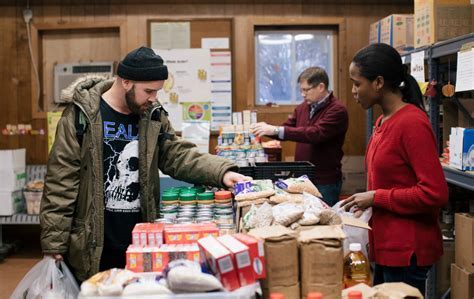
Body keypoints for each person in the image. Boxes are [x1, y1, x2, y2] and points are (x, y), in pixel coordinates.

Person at [40, 46, 249, 282]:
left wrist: (223, 173)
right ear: (126, 82)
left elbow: (177, 154)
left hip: (141, 241)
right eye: (148, 91)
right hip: (92, 242)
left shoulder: (153, 116)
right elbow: (61, 181)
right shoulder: (81, 116)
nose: (154, 98)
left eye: (157, 91)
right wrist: (53, 244)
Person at [341, 43, 448, 295]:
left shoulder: (411, 123)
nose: (354, 91)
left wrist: (377, 197)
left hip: (408, 250)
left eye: (357, 84)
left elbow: (435, 192)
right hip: (388, 246)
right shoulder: (382, 121)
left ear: (378, 82)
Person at [251, 67, 348, 206]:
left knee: (325, 222)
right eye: (301, 90)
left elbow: (315, 133)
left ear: (321, 87)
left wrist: (276, 130)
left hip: (325, 181)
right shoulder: (304, 107)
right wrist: (264, 129)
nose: (302, 94)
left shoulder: (337, 110)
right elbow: (288, 128)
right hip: (303, 178)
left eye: (306, 90)